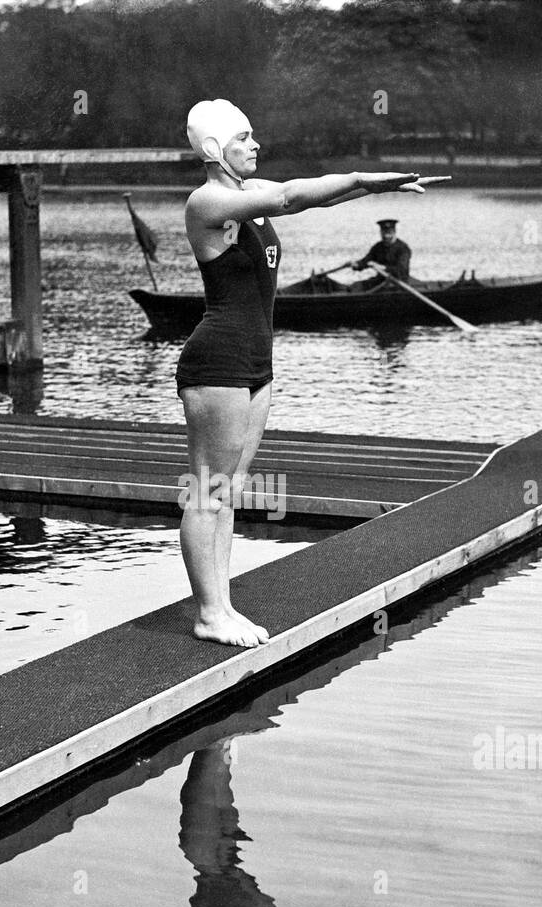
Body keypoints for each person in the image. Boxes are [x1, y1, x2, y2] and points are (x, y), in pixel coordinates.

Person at [177, 98, 423, 648]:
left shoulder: (249, 198)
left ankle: (223, 606)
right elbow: (291, 196)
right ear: (216, 149)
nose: (256, 144)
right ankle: (208, 612)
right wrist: (365, 176)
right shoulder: (207, 200)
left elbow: (307, 197)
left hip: (256, 360)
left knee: (231, 489)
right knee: (208, 489)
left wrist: (369, 188)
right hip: (216, 358)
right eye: (244, 138)